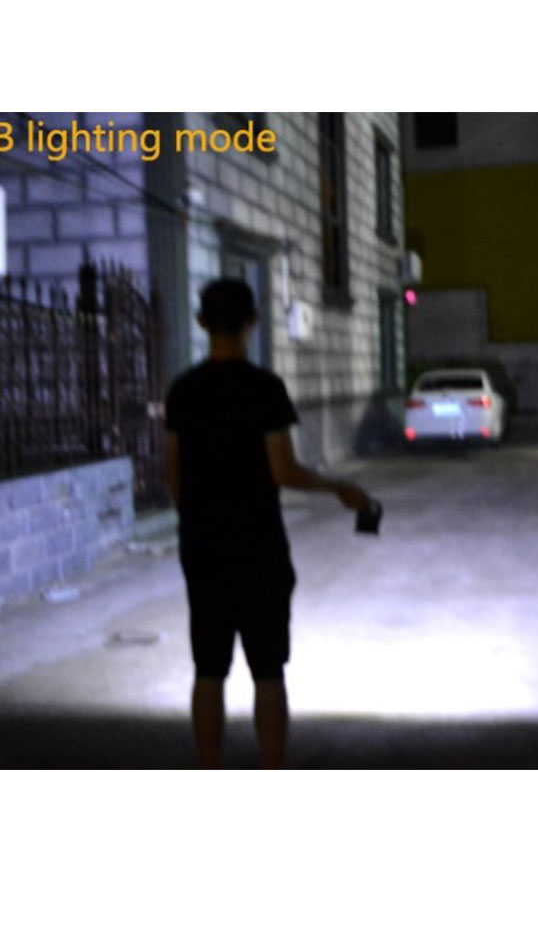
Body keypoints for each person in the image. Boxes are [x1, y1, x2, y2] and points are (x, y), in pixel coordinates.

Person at [164, 277, 374, 769]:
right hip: (258, 549)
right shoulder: (264, 389)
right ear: (253, 323)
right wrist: (339, 488)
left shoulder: (183, 390)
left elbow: (172, 474)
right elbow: (283, 470)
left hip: (203, 550)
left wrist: (199, 520)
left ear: (202, 322)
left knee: (208, 670)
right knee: (268, 672)